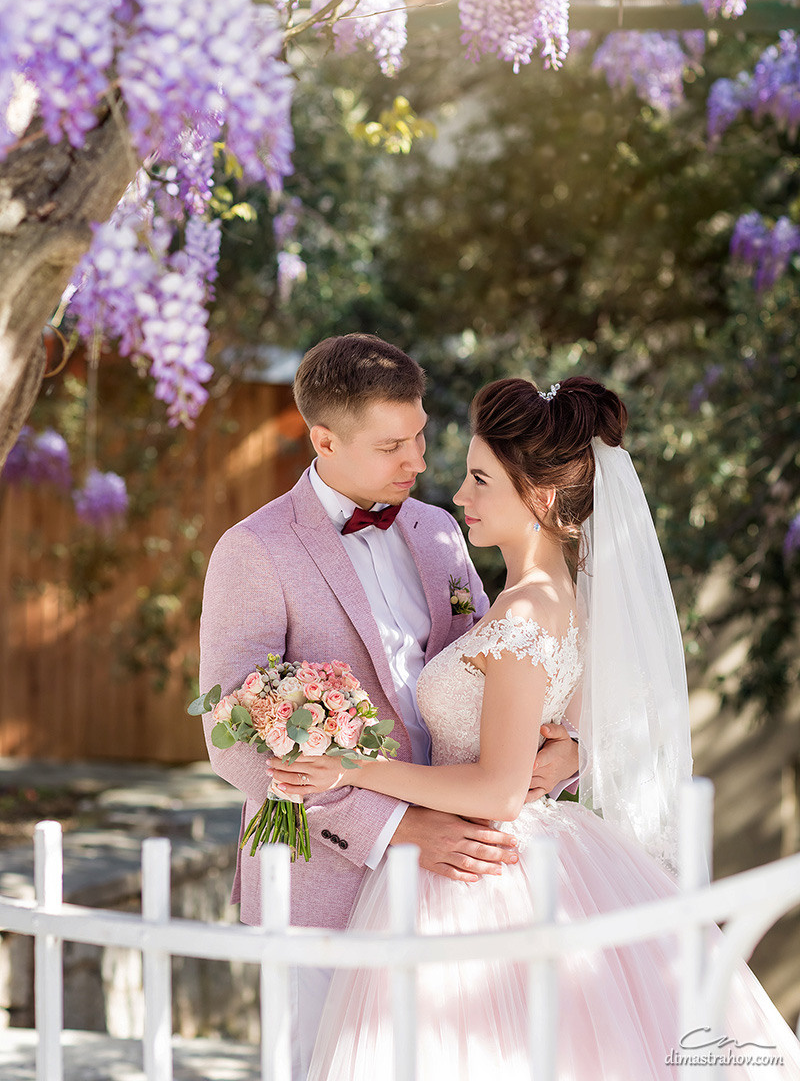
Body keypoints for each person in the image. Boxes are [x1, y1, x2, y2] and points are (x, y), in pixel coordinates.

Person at [272, 374, 800, 1080]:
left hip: (482, 867)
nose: (458, 495)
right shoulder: (558, 600)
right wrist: (568, 751)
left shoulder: (522, 617)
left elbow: (496, 790)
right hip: (531, 845)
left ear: (542, 497)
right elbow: (554, 738)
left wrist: (351, 768)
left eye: (481, 479)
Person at [198, 335, 579, 1079]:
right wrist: (398, 828)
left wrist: (566, 751)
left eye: (421, 437)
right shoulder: (254, 551)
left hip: (456, 887)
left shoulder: (440, 532)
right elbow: (234, 741)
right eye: (393, 445)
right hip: (321, 889)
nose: (417, 461)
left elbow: (495, 679)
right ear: (324, 440)